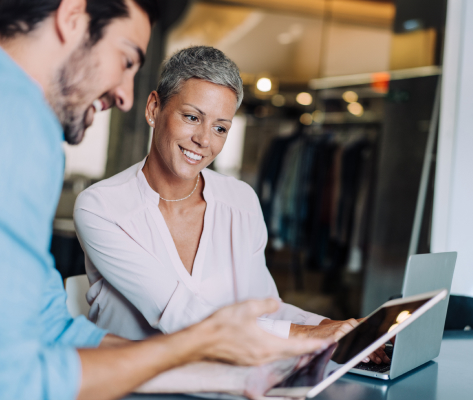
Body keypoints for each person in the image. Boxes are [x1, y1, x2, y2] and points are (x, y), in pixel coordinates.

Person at [0, 1, 327, 399]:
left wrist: (228, 379)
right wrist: (213, 351)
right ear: (71, 17)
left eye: (221, 127)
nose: (124, 96)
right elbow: (15, 379)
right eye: (125, 59)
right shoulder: (21, 126)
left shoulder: (239, 199)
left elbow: (53, 327)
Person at [72, 46, 387, 364]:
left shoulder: (241, 200)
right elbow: (181, 315)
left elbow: (266, 306)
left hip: (228, 384)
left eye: (220, 127)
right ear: (154, 108)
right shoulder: (101, 207)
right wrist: (305, 335)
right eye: (192, 117)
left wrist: (330, 327)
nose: (204, 140)